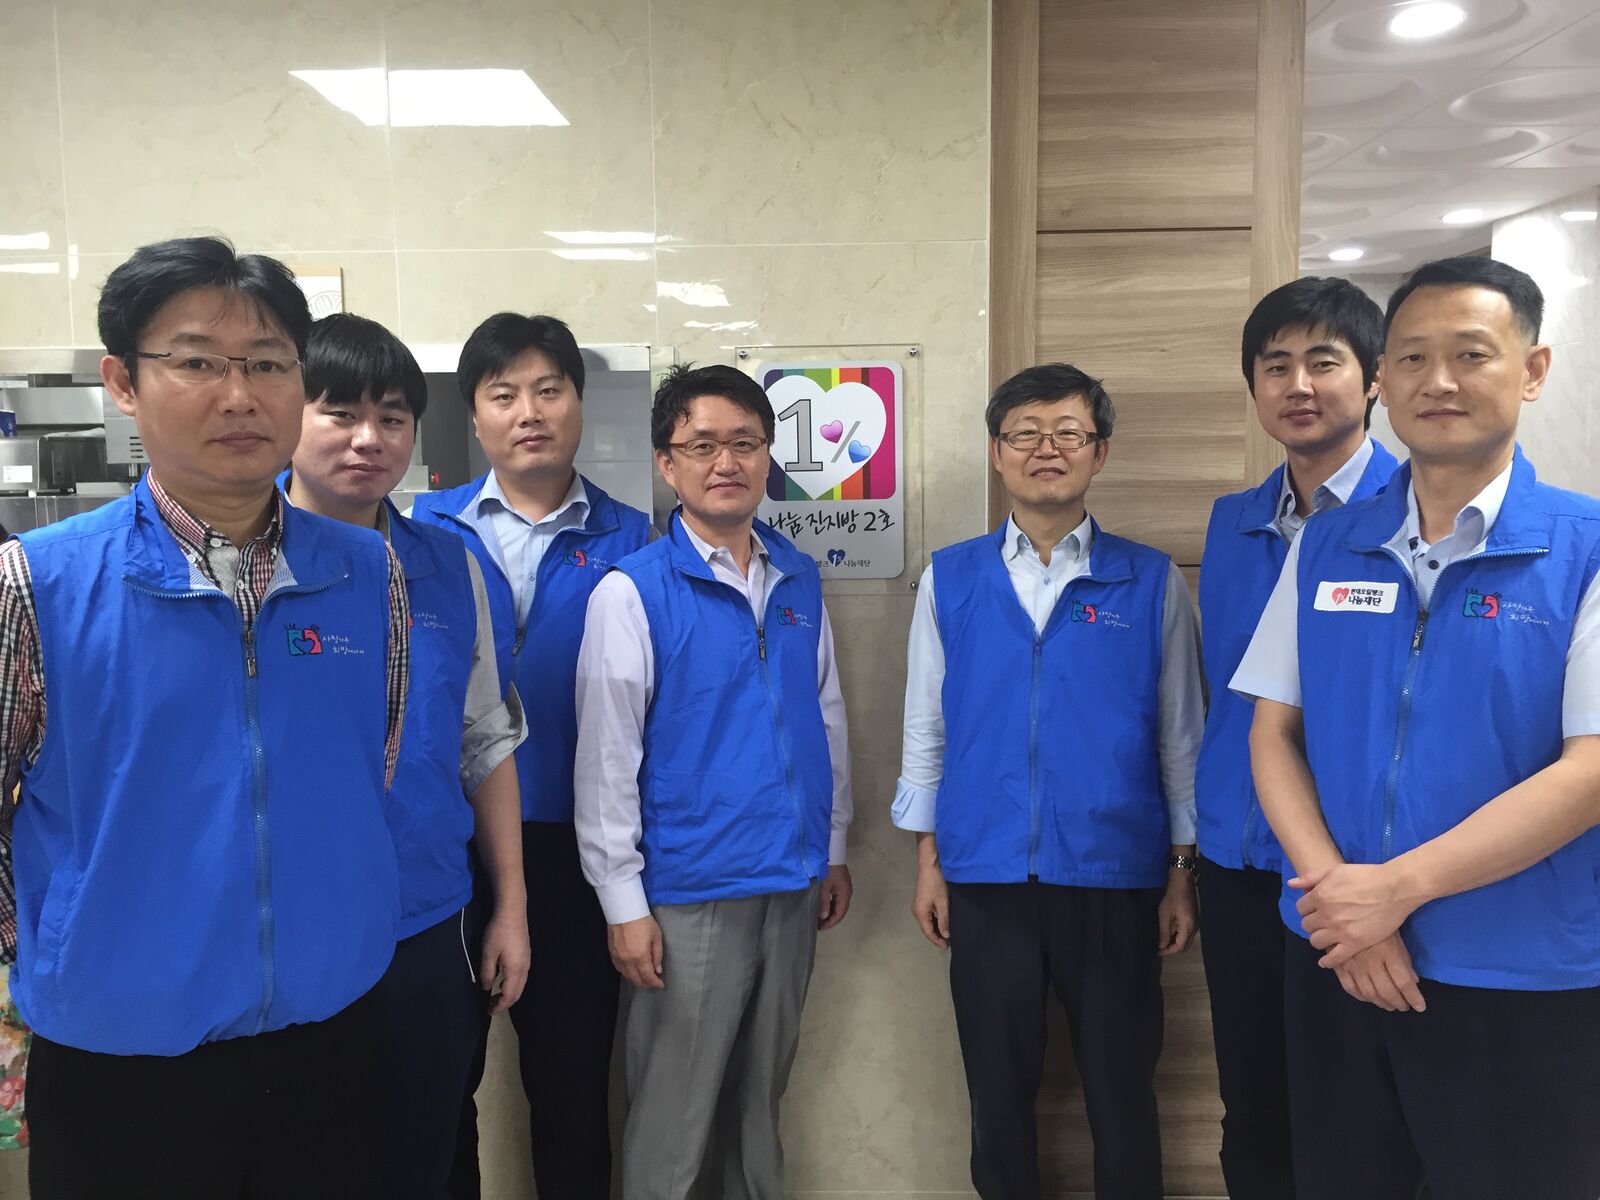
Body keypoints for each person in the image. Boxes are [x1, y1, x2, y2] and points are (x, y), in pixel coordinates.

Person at [3, 236, 410, 1197]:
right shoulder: (38, 583)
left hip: (332, 1036)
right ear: (124, 382)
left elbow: (375, 766)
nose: (239, 395)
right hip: (120, 1058)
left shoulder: (367, 572)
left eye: (268, 364)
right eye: (196, 362)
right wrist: (50, 948)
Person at [1234, 256, 1600, 1200]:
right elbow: (1273, 733)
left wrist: (1393, 892)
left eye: (1471, 354)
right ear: (1384, 382)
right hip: (1337, 958)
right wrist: (1345, 911)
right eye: (1413, 358)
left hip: (1517, 969)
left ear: (1533, 370)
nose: (1439, 381)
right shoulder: (1330, 542)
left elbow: (1590, 770)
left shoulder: (1585, 547)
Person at [893, 363, 1203, 1200]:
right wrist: (929, 860)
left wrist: (1182, 870)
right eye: (1025, 433)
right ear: (997, 453)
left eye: (1069, 432)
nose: (1046, 449)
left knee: (1122, 1095)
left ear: (1100, 452)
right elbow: (926, 726)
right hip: (985, 875)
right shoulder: (951, 577)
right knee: (997, 1100)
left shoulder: (1151, 581)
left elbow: (1181, 734)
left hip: (1115, 876)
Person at [573, 362, 854, 1200]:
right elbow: (606, 761)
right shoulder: (631, 592)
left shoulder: (796, 577)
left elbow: (825, 713)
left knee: (758, 1107)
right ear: (668, 463)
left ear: (768, 457)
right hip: (690, 890)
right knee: (675, 1116)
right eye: (702, 445)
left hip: (793, 881)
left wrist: (835, 844)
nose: (726, 461)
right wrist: (623, 903)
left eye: (745, 442)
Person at [282, 313, 530, 1198]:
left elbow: (484, 739)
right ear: (288, 412)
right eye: (340, 412)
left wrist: (511, 908)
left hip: (427, 917)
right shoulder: (243, 561)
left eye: (392, 418)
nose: (369, 438)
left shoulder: (448, 567)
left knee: (434, 1142)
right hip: (283, 925)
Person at [409, 312, 650, 1199]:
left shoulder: (636, 540)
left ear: (579, 404)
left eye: (549, 390)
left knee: (574, 1083)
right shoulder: (417, 532)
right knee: (439, 1081)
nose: (529, 412)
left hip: (581, 850)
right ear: (474, 415)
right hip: (444, 844)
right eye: (503, 394)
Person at [1193, 276, 1397, 1198]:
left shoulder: (1410, 514)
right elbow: (1226, 698)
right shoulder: (1234, 523)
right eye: (1275, 366)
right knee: (1254, 1100)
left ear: (1374, 378)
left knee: (1363, 1108)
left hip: (1359, 869)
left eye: (1324, 361)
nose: (1298, 385)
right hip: (1239, 860)